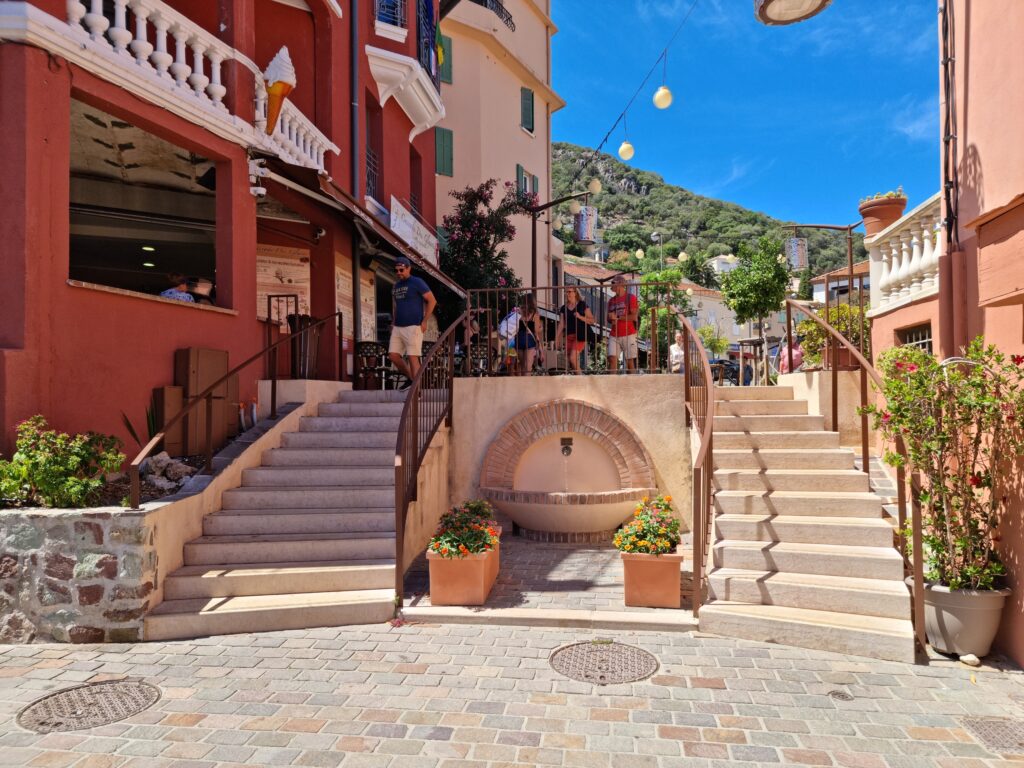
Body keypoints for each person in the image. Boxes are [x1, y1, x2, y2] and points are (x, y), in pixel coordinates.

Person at [388, 257, 436, 388]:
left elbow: (432, 300)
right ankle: (411, 378)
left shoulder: (417, 282)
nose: (398, 273)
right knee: (393, 356)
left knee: (412, 357)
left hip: (414, 325)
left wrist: (425, 321)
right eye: (396, 270)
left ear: (408, 268)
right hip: (398, 326)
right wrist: (393, 322)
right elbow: (396, 306)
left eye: (401, 270)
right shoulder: (396, 285)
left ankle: (416, 391)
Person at [555, 286, 594, 374]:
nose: (567, 294)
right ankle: (578, 377)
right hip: (569, 336)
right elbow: (561, 324)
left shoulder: (582, 304)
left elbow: (592, 320)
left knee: (572, 358)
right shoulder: (563, 308)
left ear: (575, 293)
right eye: (566, 292)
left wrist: (580, 317)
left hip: (579, 335)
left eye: (569, 292)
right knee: (570, 360)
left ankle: (581, 380)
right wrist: (557, 337)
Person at [607, 275, 639, 373]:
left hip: (629, 333)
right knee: (612, 359)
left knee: (629, 361)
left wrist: (617, 317)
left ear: (620, 284)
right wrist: (611, 318)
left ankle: (632, 385)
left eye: (613, 283)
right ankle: (612, 385)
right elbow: (608, 319)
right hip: (614, 334)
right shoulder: (611, 301)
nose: (611, 286)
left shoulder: (631, 298)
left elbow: (634, 317)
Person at [514, 293, 544, 376]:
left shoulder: (518, 311)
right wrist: (541, 351)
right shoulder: (535, 314)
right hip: (530, 341)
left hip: (519, 340)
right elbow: (536, 332)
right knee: (527, 368)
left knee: (522, 366)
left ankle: (521, 386)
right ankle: (526, 386)